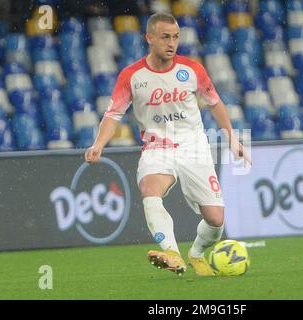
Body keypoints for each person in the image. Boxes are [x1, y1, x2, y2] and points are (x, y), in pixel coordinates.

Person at [85, 12, 250, 276]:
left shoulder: (192, 69)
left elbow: (215, 102)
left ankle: (196, 253)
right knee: (150, 190)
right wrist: (98, 145)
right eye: (165, 37)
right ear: (149, 38)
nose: (171, 43)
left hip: (193, 146)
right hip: (156, 147)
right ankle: (172, 253)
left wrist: (231, 136)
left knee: (216, 219)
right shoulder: (132, 76)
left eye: (175, 37)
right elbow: (113, 115)